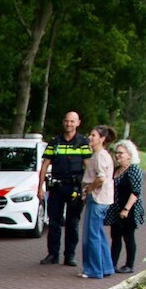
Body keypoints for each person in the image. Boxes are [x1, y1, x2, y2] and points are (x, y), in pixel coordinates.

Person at [38, 112, 93, 266]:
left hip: (75, 188)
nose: (69, 124)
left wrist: (87, 189)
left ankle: (70, 256)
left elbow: (88, 167)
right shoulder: (55, 142)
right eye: (67, 121)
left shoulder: (83, 142)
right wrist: (40, 188)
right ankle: (52, 255)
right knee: (54, 223)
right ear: (64, 122)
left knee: (72, 223)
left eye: (72, 121)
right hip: (56, 187)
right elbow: (44, 166)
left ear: (78, 123)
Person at [79, 125, 116, 279]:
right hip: (103, 198)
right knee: (99, 233)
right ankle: (106, 267)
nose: (90, 138)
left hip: (97, 198)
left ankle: (94, 269)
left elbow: (101, 178)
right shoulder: (101, 155)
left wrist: (89, 189)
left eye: (93, 135)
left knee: (91, 235)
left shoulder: (100, 155)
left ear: (102, 139)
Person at [105, 139, 145, 273]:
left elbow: (136, 191)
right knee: (115, 236)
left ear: (129, 154)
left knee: (128, 237)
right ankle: (112, 263)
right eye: (116, 153)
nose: (118, 155)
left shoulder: (134, 169)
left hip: (129, 209)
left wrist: (126, 209)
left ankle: (129, 265)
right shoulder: (116, 170)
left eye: (121, 153)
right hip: (115, 209)